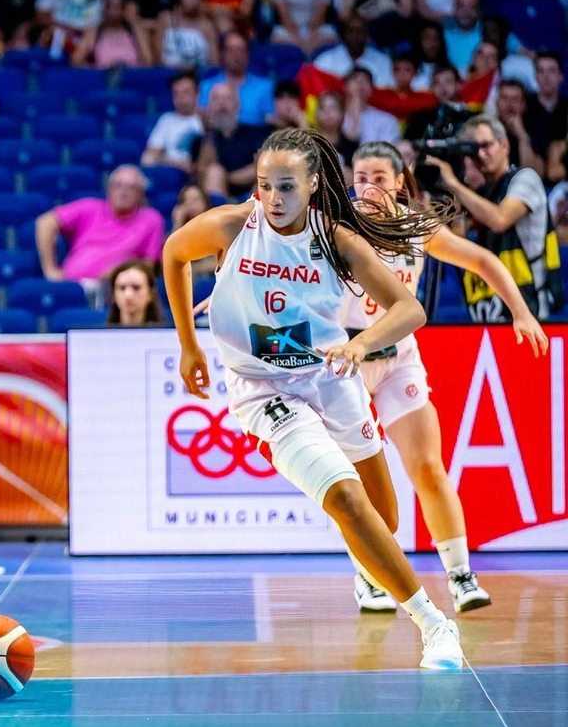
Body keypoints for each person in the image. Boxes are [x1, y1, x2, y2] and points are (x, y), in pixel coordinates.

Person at [161, 127, 464, 671]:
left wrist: (364, 343)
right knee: (345, 499)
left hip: (329, 372)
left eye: (286, 187)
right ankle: (434, 625)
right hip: (263, 388)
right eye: (263, 186)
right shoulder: (234, 224)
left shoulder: (340, 240)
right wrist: (188, 345)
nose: (273, 199)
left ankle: (372, 576)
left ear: (314, 183)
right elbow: (172, 253)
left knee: (382, 519)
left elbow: (408, 310)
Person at [344, 142, 547, 614]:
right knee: (359, 480)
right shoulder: (336, 226)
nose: (368, 186)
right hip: (347, 359)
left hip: (397, 357)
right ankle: (368, 577)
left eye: (378, 177)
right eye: (360, 177)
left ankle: (460, 575)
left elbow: (483, 261)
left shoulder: (418, 227)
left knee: (428, 468)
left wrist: (521, 313)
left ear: (399, 181)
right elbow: (274, 259)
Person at [428, 115, 561, 320]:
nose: (480, 154)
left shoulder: (525, 178)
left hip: (529, 311)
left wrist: (453, 184)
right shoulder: (475, 194)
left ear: (505, 144)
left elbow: (500, 219)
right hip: (486, 312)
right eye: (473, 150)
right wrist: (423, 200)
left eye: (486, 145)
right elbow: (452, 240)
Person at [35, 165, 164, 286]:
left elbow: (149, 265)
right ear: (108, 189)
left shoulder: (151, 219)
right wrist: (50, 269)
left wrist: (120, 272)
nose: (124, 192)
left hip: (114, 288)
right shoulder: (89, 207)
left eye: (131, 187)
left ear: (141, 193)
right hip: (71, 284)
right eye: (118, 185)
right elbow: (45, 222)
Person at [195, 82, 271, 197]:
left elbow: (263, 168)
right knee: (214, 172)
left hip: (252, 192)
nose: (221, 104)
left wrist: (227, 178)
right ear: (209, 106)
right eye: (216, 99)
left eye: (227, 98)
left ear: (237, 104)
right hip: (214, 197)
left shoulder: (256, 133)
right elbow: (201, 172)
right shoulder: (202, 140)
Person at [199, 31, 273, 126]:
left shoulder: (265, 87)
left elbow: (270, 121)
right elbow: (202, 121)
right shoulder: (207, 86)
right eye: (230, 50)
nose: (236, 55)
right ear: (222, 54)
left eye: (240, 50)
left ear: (248, 54)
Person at [314, 14, 395, 87]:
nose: (356, 36)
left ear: (367, 35)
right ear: (344, 35)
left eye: (360, 31)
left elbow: (385, 92)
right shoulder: (325, 60)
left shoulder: (382, 61)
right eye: (351, 31)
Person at [159, 0, 218, 71]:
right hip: (167, 73)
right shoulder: (165, 19)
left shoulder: (206, 26)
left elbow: (214, 62)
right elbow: (157, 56)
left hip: (198, 75)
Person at [74, 0, 142, 69]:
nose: (111, 11)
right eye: (108, 7)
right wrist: (94, 71)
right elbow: (76, 60)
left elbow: (148, 61)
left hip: (133, 77)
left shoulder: (135, 31)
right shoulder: (94, 32)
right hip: (103, 78)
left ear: (123, 10)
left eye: (116, 7)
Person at [104, 259, 161, 325]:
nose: (128, 295)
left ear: (150, 293)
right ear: (113, 294)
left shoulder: (168, 334)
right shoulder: (98, 334)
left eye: (136, 288)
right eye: (122, 288)